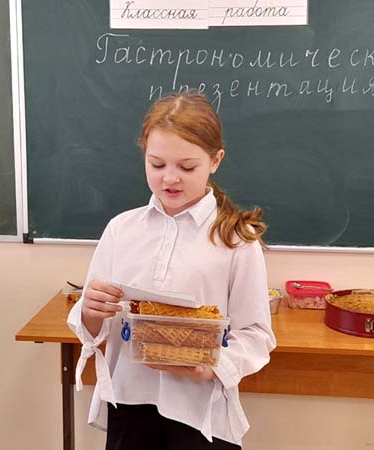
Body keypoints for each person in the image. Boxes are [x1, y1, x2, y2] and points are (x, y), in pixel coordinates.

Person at [67, 91, 276, 450]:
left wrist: (214, 365)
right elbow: (95, 325)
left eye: (187, 167)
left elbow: (256, 334)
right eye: (157, 164)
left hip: (200, 411)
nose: (170, 179)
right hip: (130, 401)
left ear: (215, 161)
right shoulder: (122, 230)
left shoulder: (236, 240)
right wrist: (89, 311)